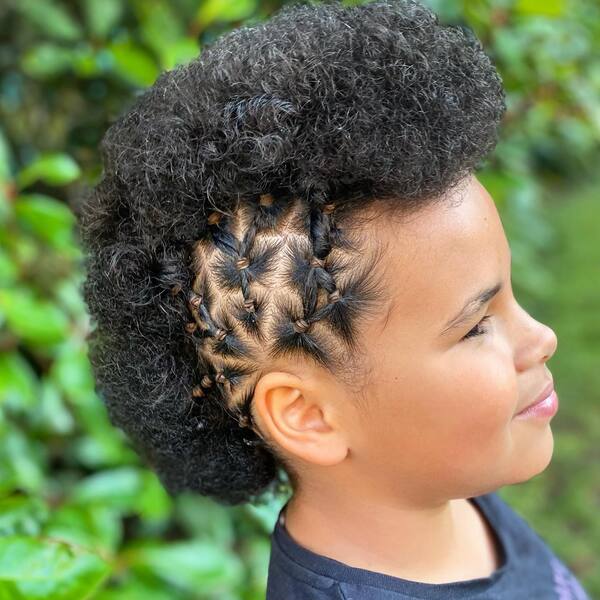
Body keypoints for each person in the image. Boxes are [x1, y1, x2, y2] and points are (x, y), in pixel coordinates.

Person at [76, 1, 592, 598]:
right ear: (307, 414)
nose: (542, 337)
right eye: (476, 326)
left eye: (509, 300)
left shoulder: (436, 483)